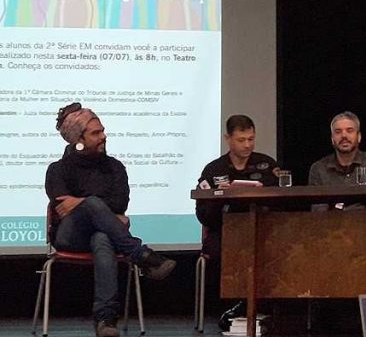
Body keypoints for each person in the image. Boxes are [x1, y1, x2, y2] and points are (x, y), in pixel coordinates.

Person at [45, 103, 176, 337]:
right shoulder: (58, 169)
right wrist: (90, 204)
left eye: (103, 130)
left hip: (104, 234)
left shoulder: (114, 167)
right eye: (96, 133)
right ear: (78, 140)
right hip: (70, 235)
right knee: (93, 204)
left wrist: (80, 202)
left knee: (102, 238)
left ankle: (106, 319)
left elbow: (120, 203)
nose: (104, 137)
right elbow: (63, 207)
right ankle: (140, 254)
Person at [195, 114, 280, 329]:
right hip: (224, 230)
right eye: (241, 140)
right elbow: (203, 215)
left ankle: (264, 308)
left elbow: (282, 203)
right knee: (219, 250)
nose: (247, 145)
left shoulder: (267, 165)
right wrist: (222, 197)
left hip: (261, 229)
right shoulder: (213, 170)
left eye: (251, 139)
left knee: (280, 248)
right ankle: (233, 307)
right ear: (228, 139)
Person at [308, 111, 366, 210]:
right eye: (338, 132)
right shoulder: (318, 169)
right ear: (332, 139)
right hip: (331, 221)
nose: (344, 136)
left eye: (349, 131)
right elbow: (319, 212)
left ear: (359, 137)